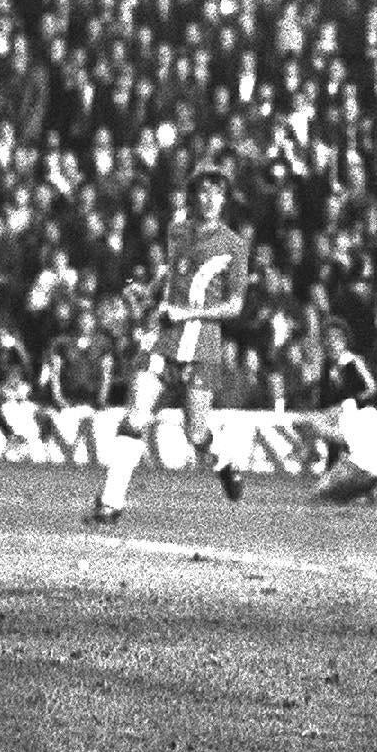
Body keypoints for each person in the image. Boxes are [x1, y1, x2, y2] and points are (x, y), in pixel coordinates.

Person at [86, 159, 251, 524]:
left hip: (201, 345)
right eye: (204, 191)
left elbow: (235, 305)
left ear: (225, 199)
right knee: (136, 414)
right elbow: (171, 271)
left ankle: (223, 462)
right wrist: (150, 290)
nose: (209, 198)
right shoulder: (177, 230)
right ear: (194, 195)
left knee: (196, 432)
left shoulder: (234, 246)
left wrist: (190, 314)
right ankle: (111, 502)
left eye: (217, 192)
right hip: (164, 338)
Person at [312, 315, 377, 506]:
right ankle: (340, 479)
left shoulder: (354, 362)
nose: (332, 344)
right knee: (324, 492)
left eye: (336, 339)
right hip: (339, 417)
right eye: (328, 339)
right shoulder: (326, 367)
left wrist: (351, 402)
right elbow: (324, 399)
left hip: (359, 417)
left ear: (344, 341)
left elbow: (372, 388)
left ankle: (364, 487)